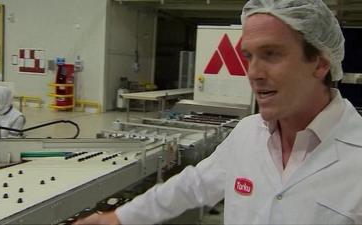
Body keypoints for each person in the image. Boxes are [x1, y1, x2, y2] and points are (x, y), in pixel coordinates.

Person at [74, 0, 362, 224]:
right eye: (248, 56)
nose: (253, 73)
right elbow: (193, 186)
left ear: (320, 64)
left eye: (271, 54)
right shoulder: (248, 133)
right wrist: (120, 218)